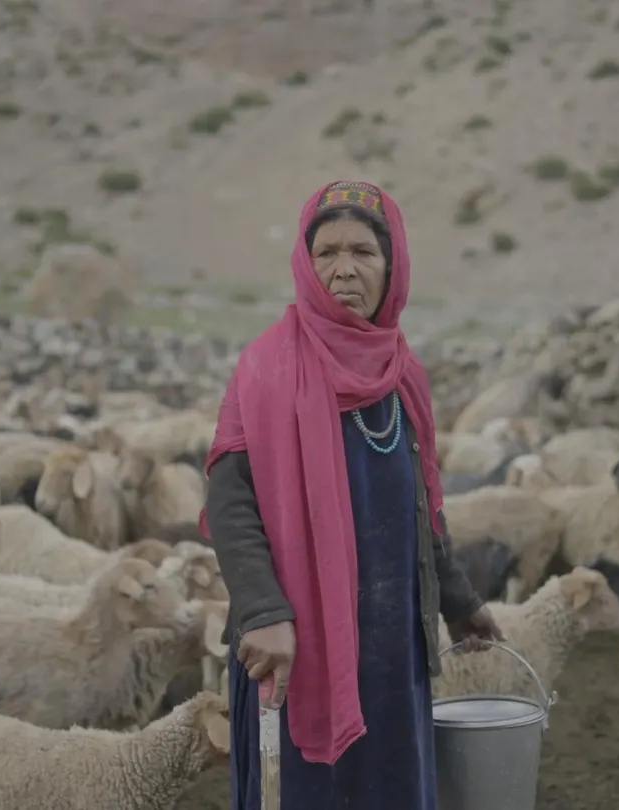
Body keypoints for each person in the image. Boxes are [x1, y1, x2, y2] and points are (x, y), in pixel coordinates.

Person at [201, 180, 505, 809]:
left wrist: (459, 598)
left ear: (392, 267)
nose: (344, 269)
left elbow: (422, 504)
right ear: (305, 266)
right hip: (295, 648)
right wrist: (263, 613)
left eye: (364, 252)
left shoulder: (403, 373)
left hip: (392, 649)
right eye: (327, 252)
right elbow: (231, 504)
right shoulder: (265, 369)